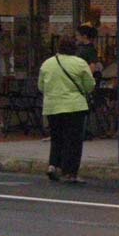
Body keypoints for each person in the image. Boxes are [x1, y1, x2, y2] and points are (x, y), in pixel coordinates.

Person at [38, 35, 95, 184]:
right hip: (74, 106)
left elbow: (41, 86)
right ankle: (70, 172)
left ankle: (53, 165)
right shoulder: (80, 63)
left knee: (57, 138)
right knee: (73, 141)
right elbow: (90, 85)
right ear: (74, 48)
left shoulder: (47, 64)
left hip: (52, 106)